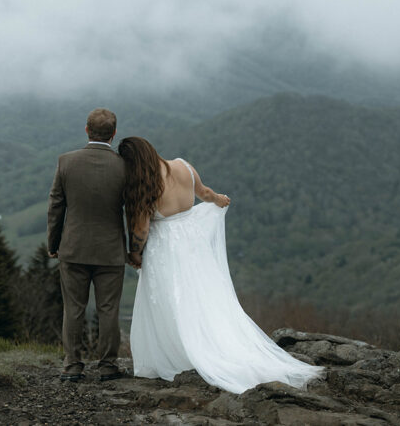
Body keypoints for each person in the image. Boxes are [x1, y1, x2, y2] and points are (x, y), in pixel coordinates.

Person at [118, 136, 324, 394]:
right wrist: (218, 200)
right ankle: (217, 345)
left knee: (173, 302)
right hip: (194, 244)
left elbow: (141, 228)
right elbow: (204, 193)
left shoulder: (146, 184)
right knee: (205, 297)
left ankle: (183, 354)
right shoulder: (184, 166)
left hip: (166, 248)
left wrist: (134, 254)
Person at [47, 108, 128, 382]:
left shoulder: (66, 162)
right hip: (111, 250)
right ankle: (108, 366)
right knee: (109, 310)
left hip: (73, 248)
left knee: (73, 309)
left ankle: (72, 367)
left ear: (86, 129)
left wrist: (53, 242)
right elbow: (135, 210)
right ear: (114, 134)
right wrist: (136, 247)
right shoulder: (124, 166)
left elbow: (56, 207)